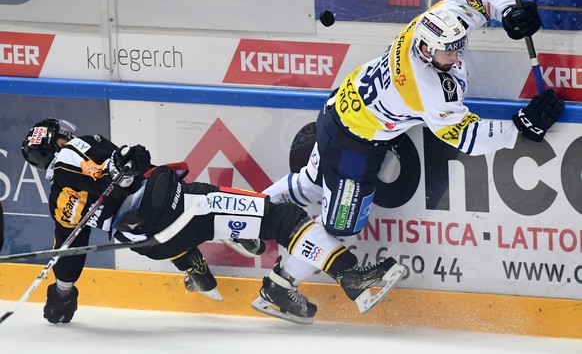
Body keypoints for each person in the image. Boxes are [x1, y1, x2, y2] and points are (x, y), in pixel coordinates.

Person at [261, 0, 564, 295]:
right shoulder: (426, 89)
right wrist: (519, 128)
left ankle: (248, 215)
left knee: (311, 183)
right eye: (448, 52)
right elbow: (468, 138)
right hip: (353, 143)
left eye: (459, 46)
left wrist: (508, 12)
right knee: (339, 227)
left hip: (337, 109)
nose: (457, 58)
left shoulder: (439, 21)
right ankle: (279, 286)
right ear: (424, 50)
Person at [21, 117, 403, 325]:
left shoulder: (58, 198)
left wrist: (62, 295)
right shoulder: (76, 149)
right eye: (61, 137)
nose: (67, 139)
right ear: (58, 141)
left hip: (157, 241)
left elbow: (70, 252)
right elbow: (111, 167)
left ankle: (228, 271)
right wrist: (122, 163)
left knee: (169, 222)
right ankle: (353, 277)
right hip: (185, 207)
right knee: (282, 218)